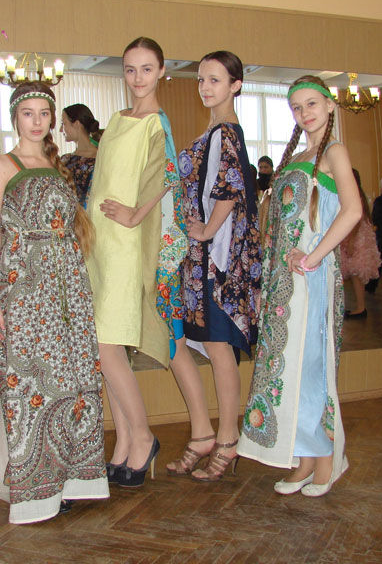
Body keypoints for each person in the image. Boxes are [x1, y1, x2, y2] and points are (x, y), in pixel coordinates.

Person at [0, 81, 108, 524]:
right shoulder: (1, 165)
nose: (36, 122)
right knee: (29, 386)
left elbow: (74, 229)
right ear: (15, 118)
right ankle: (35, 489)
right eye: (27, 113)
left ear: (52, 118)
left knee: (72, 382)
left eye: (43, 113)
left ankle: (70, 480)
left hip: (66, 287)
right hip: (23, 290)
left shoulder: (59, 166)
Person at [237, 75, 361, 497]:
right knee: (290, 369)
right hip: (283, 281)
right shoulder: (298, 156)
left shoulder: (334, 152)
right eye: (297, 107)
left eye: (312, 104)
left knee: (311, 366)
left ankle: (326, 459)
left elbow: (352, 210)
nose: (305, 113)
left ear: (330, 106)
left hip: (311, 279)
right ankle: (304, 458)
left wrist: (313, 256)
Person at [86, 37, 187, 487]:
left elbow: (168, 174)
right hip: (100, 243)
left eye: (147, 69)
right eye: (130, 69)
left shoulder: (156, 123)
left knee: (107, 347)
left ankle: (143, 436)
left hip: (126, 245)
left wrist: (135, 214)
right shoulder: (116, 118)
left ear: (161, 71)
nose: (138, 77)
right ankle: (124, 442)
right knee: (106, 349)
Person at [166, 50, 261, 481]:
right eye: (201, 79)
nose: (205, 87)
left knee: (221, 349)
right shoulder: (215, 131)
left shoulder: (227, 132)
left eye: (215, 80)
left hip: (220, 261)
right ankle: (214, 436)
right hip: (206, 258)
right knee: (213, 346)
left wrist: (205, 231)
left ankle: (228, 439)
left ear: (235, 85)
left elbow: (229, 187)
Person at [340, 168, 381, 318]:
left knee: (356, 273)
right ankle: (356, 306)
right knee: (352, 274)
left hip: (355, 237)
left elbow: (356, 219)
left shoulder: (354, 195)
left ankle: (360, 307)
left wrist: (351, 241)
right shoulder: (357, 194)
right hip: (353, 236)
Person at [60, 103, 102, 207]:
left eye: (63, 123)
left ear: (77, 124)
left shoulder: (102, 159)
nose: (61, 129)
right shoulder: (64, 159)